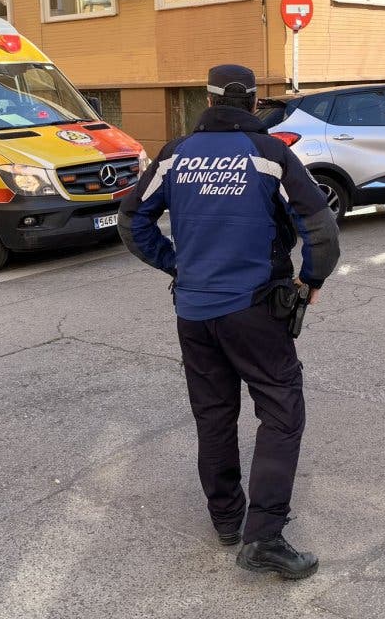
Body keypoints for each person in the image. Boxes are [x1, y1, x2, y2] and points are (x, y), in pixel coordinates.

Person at [118, 64, 341, 580]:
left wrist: (176, 263)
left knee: (214, 415)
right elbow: (320, 227)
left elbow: (132, 222)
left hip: (193, 312)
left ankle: (226, 520)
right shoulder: (270, 155)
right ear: (252, 102)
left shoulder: (174, 155)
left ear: (210, 99)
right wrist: (311, 280)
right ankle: (263, 536)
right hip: (256, 308)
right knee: (282, 410)